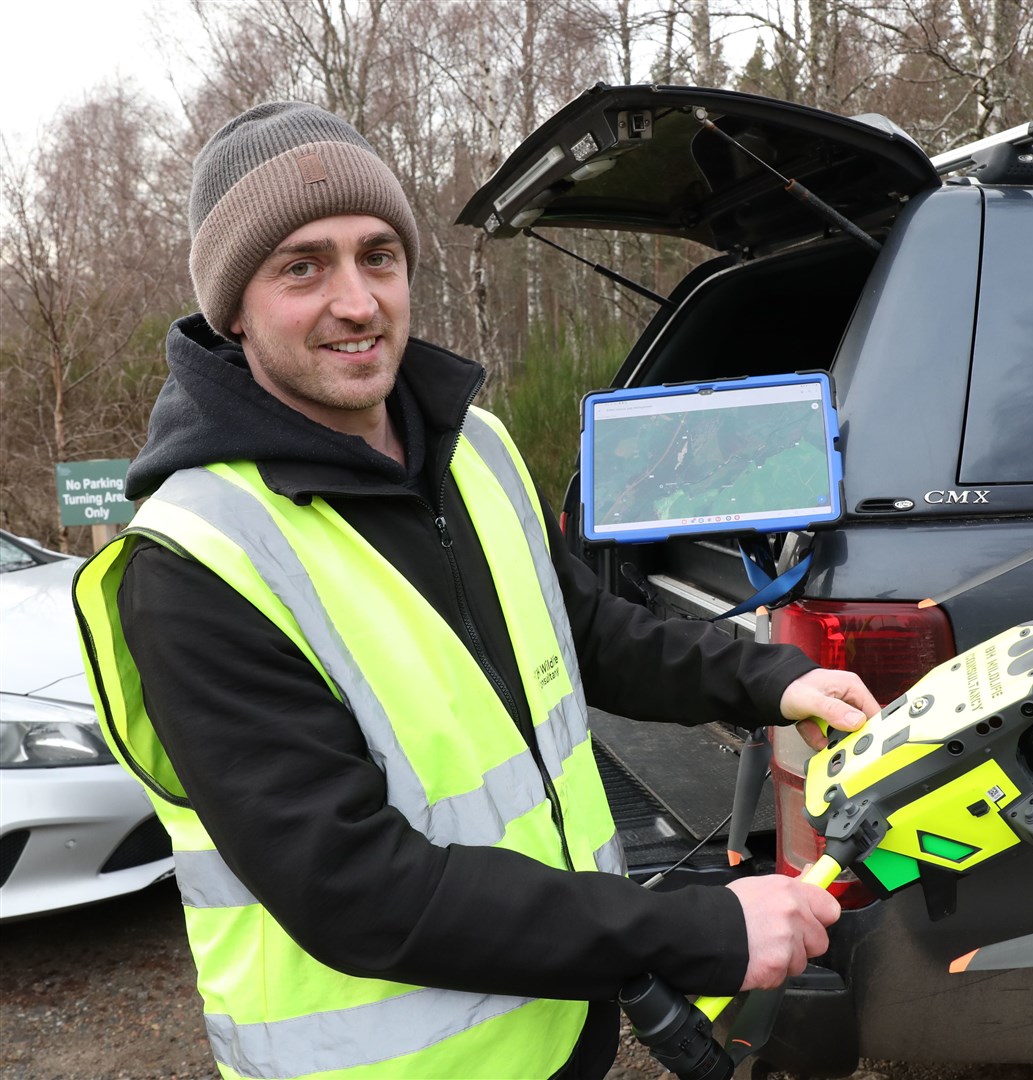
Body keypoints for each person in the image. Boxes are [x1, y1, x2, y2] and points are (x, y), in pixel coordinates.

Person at [73, 101, 879, 1080]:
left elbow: (577, 630)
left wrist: (771, 680)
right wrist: (694, 927)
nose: (359, 301)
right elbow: (353, 887)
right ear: (232, 305)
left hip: (556, 1020)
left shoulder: (474, 449)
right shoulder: (194, 560)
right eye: (302, 266)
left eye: (379, 254)